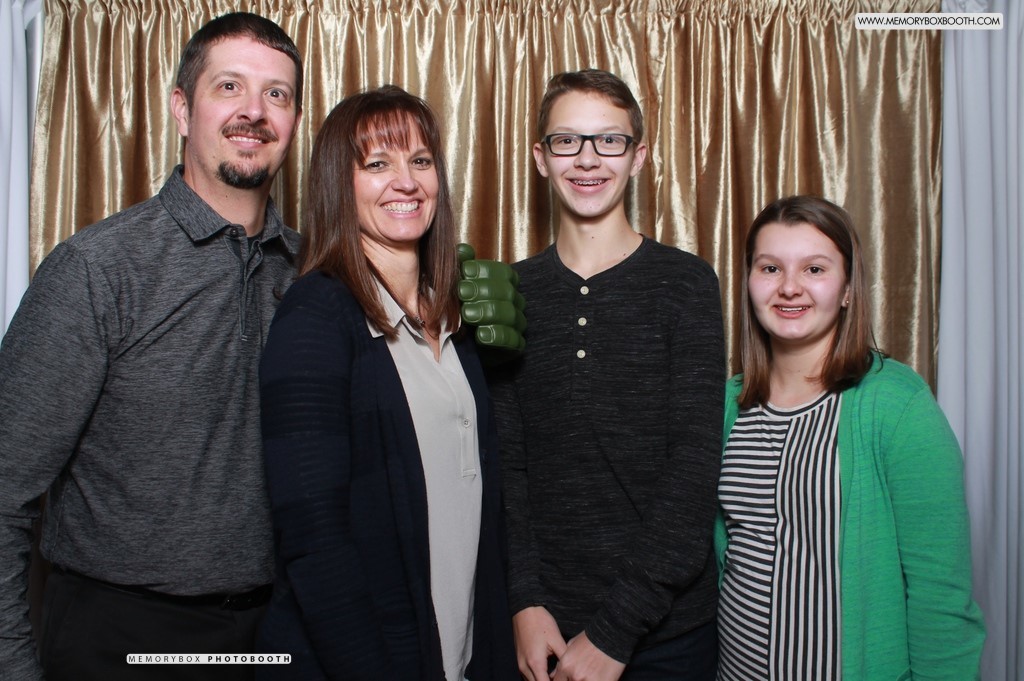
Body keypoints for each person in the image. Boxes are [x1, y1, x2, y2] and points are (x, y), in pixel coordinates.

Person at [0, 12, 305, 680]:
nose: (254, 112)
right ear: (181, 108)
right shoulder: (96, 269)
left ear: (294, 121)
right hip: (122, 636)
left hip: (276, 632)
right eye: (229, 86)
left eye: (276, 94)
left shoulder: (313, 275)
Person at [255, 85, 519, 681]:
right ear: (338, 184)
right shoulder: (315, 317)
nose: (406, 182)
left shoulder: (456, 318)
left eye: (420, 160)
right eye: (377, 164)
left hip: (459, 653)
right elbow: (314, 541)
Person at [489, 69, 725, 681]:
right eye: (567, 140)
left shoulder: (687, 284)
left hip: (667, 633)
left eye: (609, 141)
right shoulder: (512, 291)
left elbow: (693, 473)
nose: (588, 159)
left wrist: (615, 632)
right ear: (541, 158)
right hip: (541, 628)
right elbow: (508, 467)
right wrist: (524, 601)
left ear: (638, 156)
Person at [714, 195, 986, 680]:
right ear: (749, 282)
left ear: (846, 289)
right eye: (770, 268)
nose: (790, 287)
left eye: (815, 269)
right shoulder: (728, 405)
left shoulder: (896, 403)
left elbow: (941, 596)